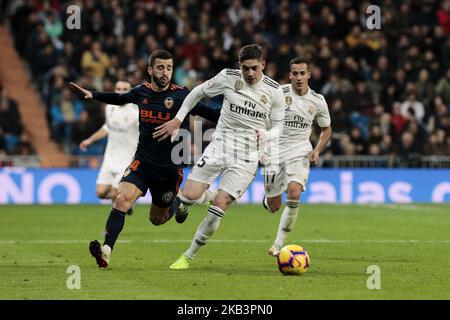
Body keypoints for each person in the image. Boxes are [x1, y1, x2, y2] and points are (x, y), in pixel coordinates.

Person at [69, 49, 220, 268]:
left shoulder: (182, 96)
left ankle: (186, 201)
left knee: (156, 219)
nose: (165, 72)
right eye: (160, 67)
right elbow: (119, 98)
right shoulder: (141, 92)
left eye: (169, 68)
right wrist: (93, 95)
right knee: (120, 199)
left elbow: (212, 113)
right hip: (142, 163)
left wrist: (237, 112)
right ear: (150, 70)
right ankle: (106, 250)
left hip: (169, 170)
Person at [153, 44, 286, 270]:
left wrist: (267, 134)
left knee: (219, 204)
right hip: (219, 147)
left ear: (263, 64)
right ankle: (190, 201)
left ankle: (187, 256)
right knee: (187, 194)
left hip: (246, 157)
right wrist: (177, 119)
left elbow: (279, 126)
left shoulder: (274, 91)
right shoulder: (227, 77)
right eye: (245, 68)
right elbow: (196, 92)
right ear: (239, 65)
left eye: (254, 68)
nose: (250, 73)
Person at [263, 58, 332, 256]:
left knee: (294, 193)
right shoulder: (278, 93)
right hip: (274, 151)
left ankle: (278, 244)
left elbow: (326, 129)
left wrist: (317, 149)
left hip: (300, 150)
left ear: (309, 74)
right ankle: (267, 200)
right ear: (290, 75)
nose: (299, 77)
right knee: (274, 206)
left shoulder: (318, 100)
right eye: (295, 73)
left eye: (303, 73)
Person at [79, 80, 139, 214]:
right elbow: (107, 127)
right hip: (109, 159)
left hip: (126, 161)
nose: (121, 91)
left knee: (114, 194)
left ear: (131, 91)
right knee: (100, 193)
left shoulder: (136, 112)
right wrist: (90, 139)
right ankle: (126, 202)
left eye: (125, 89)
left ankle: (110, 231)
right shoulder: (109, 108)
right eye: (118, 89)